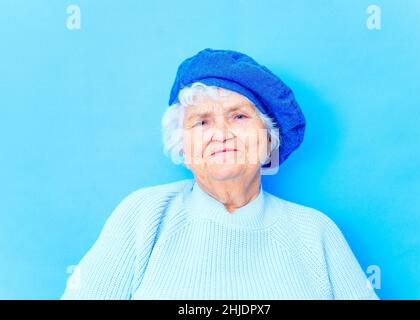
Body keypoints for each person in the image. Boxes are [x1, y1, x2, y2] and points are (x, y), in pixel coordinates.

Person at [61, 48, 378, 300]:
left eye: (239, 116)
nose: (222, 134)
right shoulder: (143, 216)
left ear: (269, 139)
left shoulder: (316, 232)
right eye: (202, 122)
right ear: (182, 146)